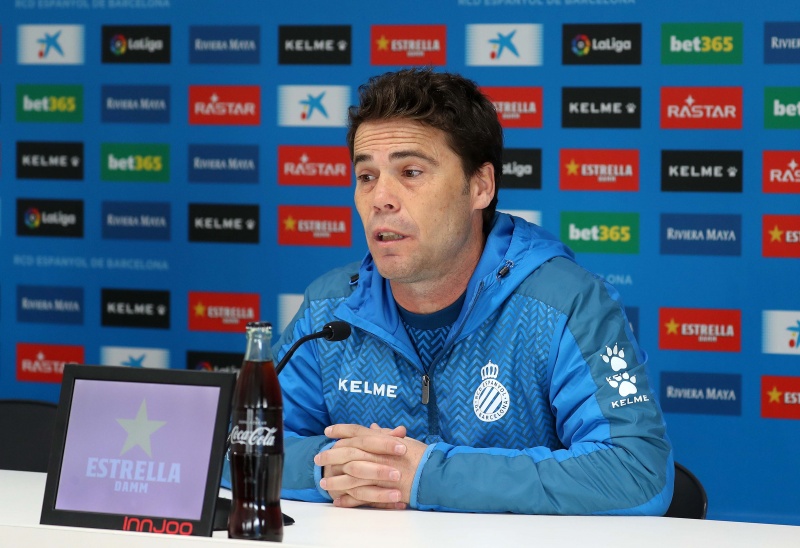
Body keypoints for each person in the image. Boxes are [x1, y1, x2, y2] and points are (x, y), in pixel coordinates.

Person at [275, 68, 673, 515]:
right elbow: (239, 443)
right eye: (366, 176)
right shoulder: (330, 307)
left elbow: (636, 471)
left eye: (410, 171)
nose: (380, 198)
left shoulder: (565, 304)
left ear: (480, 186)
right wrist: (334, 468)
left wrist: (427, 476)